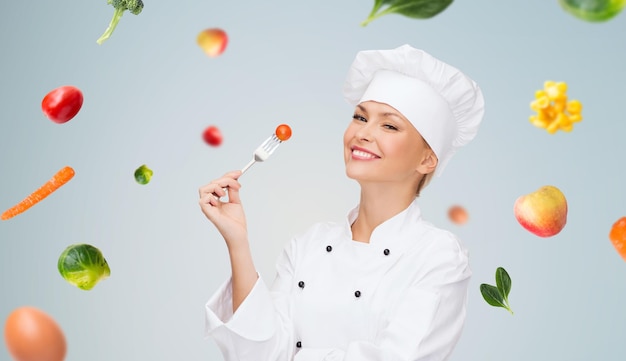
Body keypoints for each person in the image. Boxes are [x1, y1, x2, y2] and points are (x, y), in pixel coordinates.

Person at [198, 44, 485, 361]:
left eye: (389, 125)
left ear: (427, 159)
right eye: (360, 117)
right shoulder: (310, 244)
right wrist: (238, 242)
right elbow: (255, 354)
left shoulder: (439, 257)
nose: (363, 133)